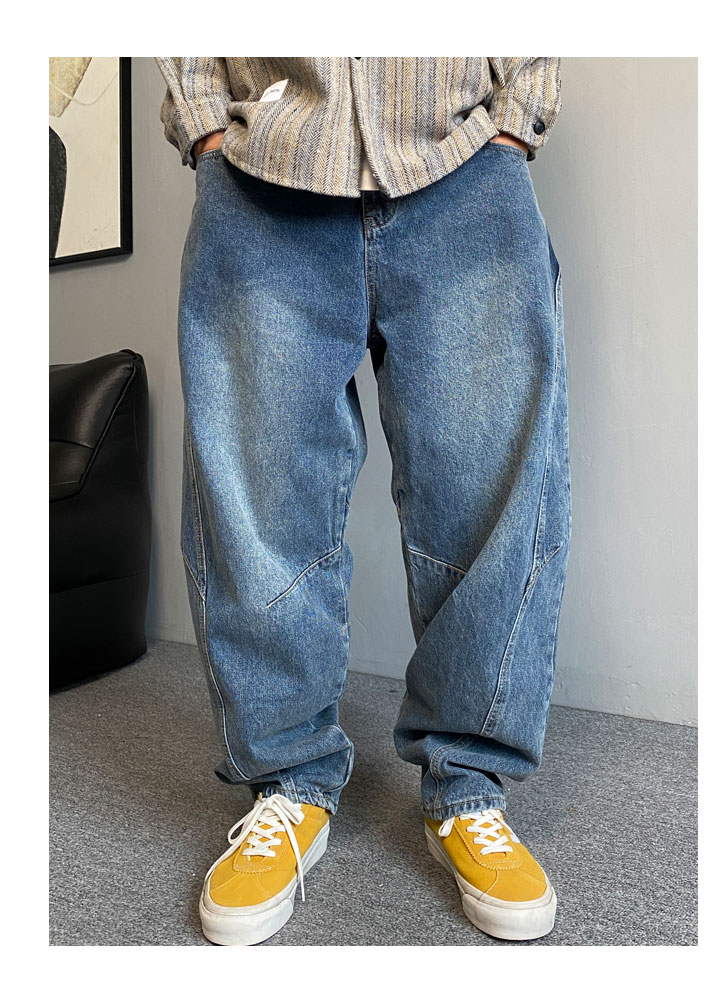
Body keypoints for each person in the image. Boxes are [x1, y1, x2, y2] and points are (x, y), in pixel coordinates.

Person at [156, 56, 570, 946]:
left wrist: (519, 111)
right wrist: (202, 121)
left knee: (488, 496)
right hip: (264, 170)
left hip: (465, 164)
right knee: (258, 504)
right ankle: (288, 781)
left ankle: (470, 785)